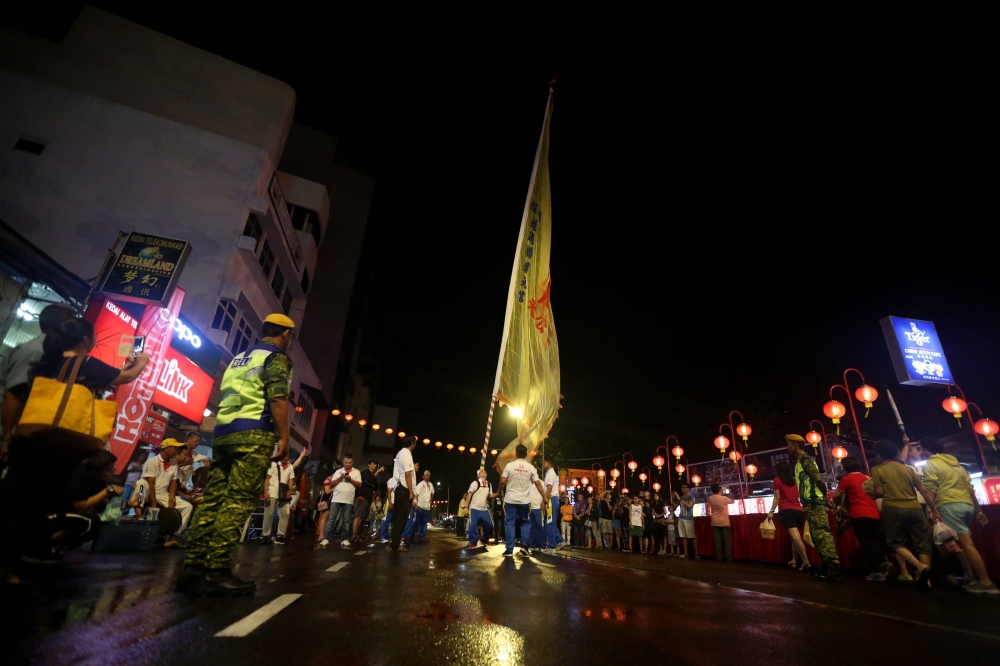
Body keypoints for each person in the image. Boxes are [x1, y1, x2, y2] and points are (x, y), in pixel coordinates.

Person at [183, 313, 294, 596]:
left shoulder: (240, 357)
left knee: (212, 501)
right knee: (237, 502)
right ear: (285, 334)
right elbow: (278, 397)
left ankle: (192, 568)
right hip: (253, 435)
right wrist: (284, 436)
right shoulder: (276, 357)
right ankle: (217, 571)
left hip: (223, 434)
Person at [921, 437, 996, 593]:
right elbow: (971, 490)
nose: (921, 452)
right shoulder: (958, 466)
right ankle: (970, 577)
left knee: (966, 544)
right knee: (960, 544)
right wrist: (978, 511)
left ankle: (986, 582)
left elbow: (931, 490)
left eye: (922, 449)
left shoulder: (932, 463)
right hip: (966, 505)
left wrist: (930, 510)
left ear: (927, 449)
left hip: (949, 505)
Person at [0, 302, 76, 458]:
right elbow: (12, 396)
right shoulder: (37, 351)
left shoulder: (48, 350)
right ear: (64, 327)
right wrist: (7, 438)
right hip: (5, 432)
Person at [870, 439, 939, 590]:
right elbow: (924, 491)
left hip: (893, 508)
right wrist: (934, 510)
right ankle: (926, 581)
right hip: (915, 508)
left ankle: (920, 567)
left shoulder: (877, 469)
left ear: (879, 455)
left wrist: (872, 494)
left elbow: (880, 492)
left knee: (895, 542)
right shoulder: (907, 469)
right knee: (923, 544)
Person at [787, 434, 840, 581]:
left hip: (815, 502)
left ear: (795, 445)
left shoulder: (805, 460)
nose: (788, 447)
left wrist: (825, 498)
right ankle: (826, 566)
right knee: (817, 535)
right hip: (810, 503)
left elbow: (819, 480)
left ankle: (833, 567)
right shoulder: (800, 462)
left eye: (789, 444)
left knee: (822, 534)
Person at [833, 456, 889, 581]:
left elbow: (837, 495)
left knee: (865, 542)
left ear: (845, 467)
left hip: (859, 514)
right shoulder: (867, 478)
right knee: (873, 540)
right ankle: (884, 561)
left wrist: (834, 502)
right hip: (874, 514)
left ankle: (877, 571)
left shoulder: (846, 479)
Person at [498, 444, 546, 557]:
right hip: (524, 501)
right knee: (525, 522)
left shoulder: (509, 466)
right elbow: (538, 483)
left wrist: (499, 491)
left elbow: (502, 481)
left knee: (510, 522)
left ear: (515, 453)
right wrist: (544, 497)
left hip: (510, 500)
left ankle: (509, 549)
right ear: (526, 454)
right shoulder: (531, 467)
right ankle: (524, 547)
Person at [143, 439, 191, 548]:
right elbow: (150, 484)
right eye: (175, 447)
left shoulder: (174, 463)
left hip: (163, 494)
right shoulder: (152, 462)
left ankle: (173, 536)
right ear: (166, 448)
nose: (176, 450)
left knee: (187, 506)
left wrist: (171, 496)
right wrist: (153, 503)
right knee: (140, 484)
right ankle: (137, 513)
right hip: (147, 491)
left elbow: (174, 482)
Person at [767, 461, 811, 570]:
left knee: (795, 537)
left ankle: (806, 562)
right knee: (795, 537)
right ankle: (794, 561)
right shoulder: (795, 481)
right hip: (799, 511)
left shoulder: (777, 480)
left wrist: (771, 511)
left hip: (786, 510)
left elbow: (777, 498)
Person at [321, 453, 362, 548]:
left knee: (346, 520)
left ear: (353, 462)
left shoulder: (356, 472)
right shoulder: (338, 471)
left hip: (348, 499)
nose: (347, 464)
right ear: (343, 462)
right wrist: (340, 478)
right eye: (345, 462)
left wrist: (350, 479)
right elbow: (331, 484)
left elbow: (359, 484)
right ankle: (327, 538)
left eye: (349, 462)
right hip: (336, 498)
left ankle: (344, 539)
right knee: (331, 519)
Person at [390, 437, 417, 552]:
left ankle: (395, 544)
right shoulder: (406, 454)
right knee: (401, 518)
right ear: (412, 444)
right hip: (404, 489)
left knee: (399, 518)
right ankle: (395, 545)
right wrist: (411, 492)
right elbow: (407, 474)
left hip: (400, 488)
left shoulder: (400, 453)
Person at [262, 452, 296, 545]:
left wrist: (290, 490)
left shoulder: (290, 466)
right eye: (285, 455)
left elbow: (291, 479)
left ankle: (280, 535)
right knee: (268, 514)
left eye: (287, 456)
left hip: (284, 494)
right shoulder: (273, 464)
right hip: (272, 491)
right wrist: (266, 491)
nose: (286, 457)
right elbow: (267, 478)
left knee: (285, 514)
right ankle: (265, 535)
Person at [352, 460, 384, 542]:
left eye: (375, 464)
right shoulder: (366, 472)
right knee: (358, 516)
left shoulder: (372, 474)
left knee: (363, 517)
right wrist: (378, 471)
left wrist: (372, 483)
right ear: (369, 465)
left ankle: (359, 535)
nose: (375, 465)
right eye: (373, 464)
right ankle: (354, 536)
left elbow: (375, 486)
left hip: (368, 498)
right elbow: (370, 480)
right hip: (362, 497)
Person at [465, 469, 497, 549]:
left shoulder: (489, 484)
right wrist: (466, 507)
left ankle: (484, 539)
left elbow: (489, 496)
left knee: (490, 525)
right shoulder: (475, 483)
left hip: (484, 509)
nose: (484, 472)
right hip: (474, 508)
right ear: (478, 475)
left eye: (485, 471)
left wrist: (496, 494)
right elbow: (469, 495)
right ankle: (473, 542)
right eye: (482, 472)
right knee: (473, 525)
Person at [707, 484, 734, 562]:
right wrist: (730, 494)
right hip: (724, 522)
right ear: (719, 490)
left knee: (717, 541)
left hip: (714, 522)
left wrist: (720, 492)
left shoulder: (710, 498)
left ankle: (719, 558)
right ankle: (728, 558)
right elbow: (732, 501)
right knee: (727, 541)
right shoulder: (724, 498)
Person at [542, 459, 565, 550]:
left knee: (550, 523)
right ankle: (560, 540)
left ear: (549, 463)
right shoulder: (550, 473)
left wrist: (545, 500)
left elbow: (550, 487)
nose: (543, 464)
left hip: (551, 499)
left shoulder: (550, 473)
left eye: (544, 462)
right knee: (551, 522)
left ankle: (552, 545)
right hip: (552, 499)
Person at [406, 470, 434, 544]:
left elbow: (433, 493)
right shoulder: (420, 484)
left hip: (427, 508)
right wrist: (415, 504)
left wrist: (431, 499)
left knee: (424, 524)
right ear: (423, 476)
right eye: (426, 475)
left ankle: (422, 538)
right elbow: (415, 494)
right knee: (416, 523)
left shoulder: (431, 485)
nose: (428, 476)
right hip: (420, 507)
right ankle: (410, 537)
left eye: (429, 475)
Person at [673, 484, 698, 559]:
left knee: (692, 536)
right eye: (682, 487)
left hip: (689, 518)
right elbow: (675, 506)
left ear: (689, 489)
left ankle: (696, 553)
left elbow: (689, 506)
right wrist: (673, 499)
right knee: (683, 536)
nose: (683, 489)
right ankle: (685, 553)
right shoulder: (680, 497)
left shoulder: (691, 497)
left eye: (684, 487)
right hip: (681, 518)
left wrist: (680, 500)